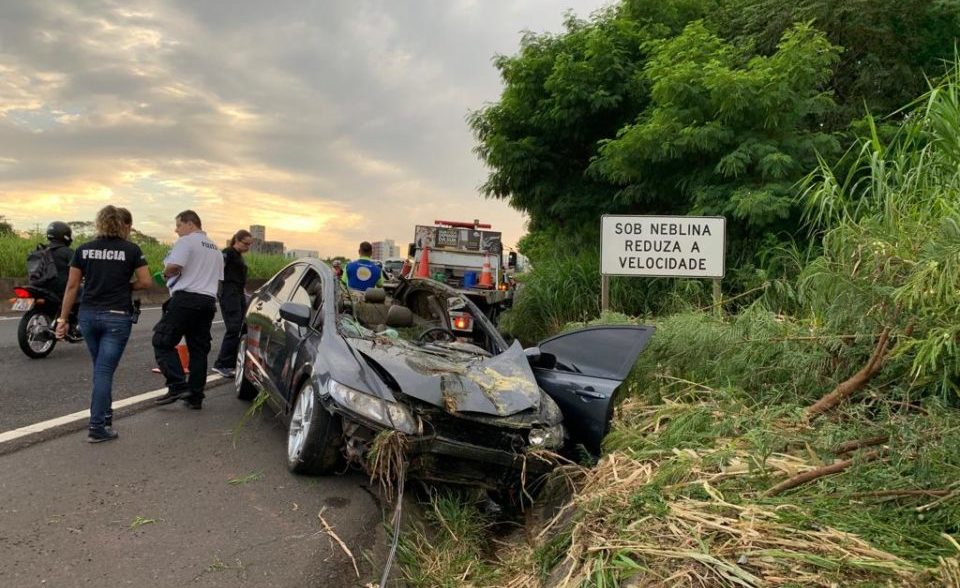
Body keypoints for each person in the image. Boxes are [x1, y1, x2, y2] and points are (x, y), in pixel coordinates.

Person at [55, 206, 152, 443]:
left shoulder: (83, 249)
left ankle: (106, 416)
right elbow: (146, 282)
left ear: (98, 223)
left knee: (100, 368)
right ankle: (97, 426)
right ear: (121, 224)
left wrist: (63, 319)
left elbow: (71, 287)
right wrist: (125, 286)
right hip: (117, 316)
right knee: (104, 370)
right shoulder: (131, 250)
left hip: (88, 316)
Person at [153, 210, 224, 409]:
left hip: (186, 299)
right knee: (198, 350)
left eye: (178, 225)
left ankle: (176, 385)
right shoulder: (216, 248)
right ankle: (195, 396)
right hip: (208, 302)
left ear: (190, 223)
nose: (176, 230)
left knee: (162, 340)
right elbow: (217, 279)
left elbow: (174, 266)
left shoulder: (187, 241)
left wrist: (166, 275)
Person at [212, 229, 253, 377]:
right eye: (245, 244)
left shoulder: (239, 256)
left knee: (240, 327)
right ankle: (221, 363)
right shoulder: (227, 253)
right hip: (229, 293)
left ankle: (230, 362)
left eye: (250, 245)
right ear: (236, 239)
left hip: (238, 293)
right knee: (233, 327)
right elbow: (216, 270)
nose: (247, 247)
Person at [45, 221, 82, 341]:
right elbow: (80, 269)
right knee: (84, 292)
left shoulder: (41, 250)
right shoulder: (68, 252)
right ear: (65, 236)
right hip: (61, 289)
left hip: (41, 287)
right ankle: (76, 326)